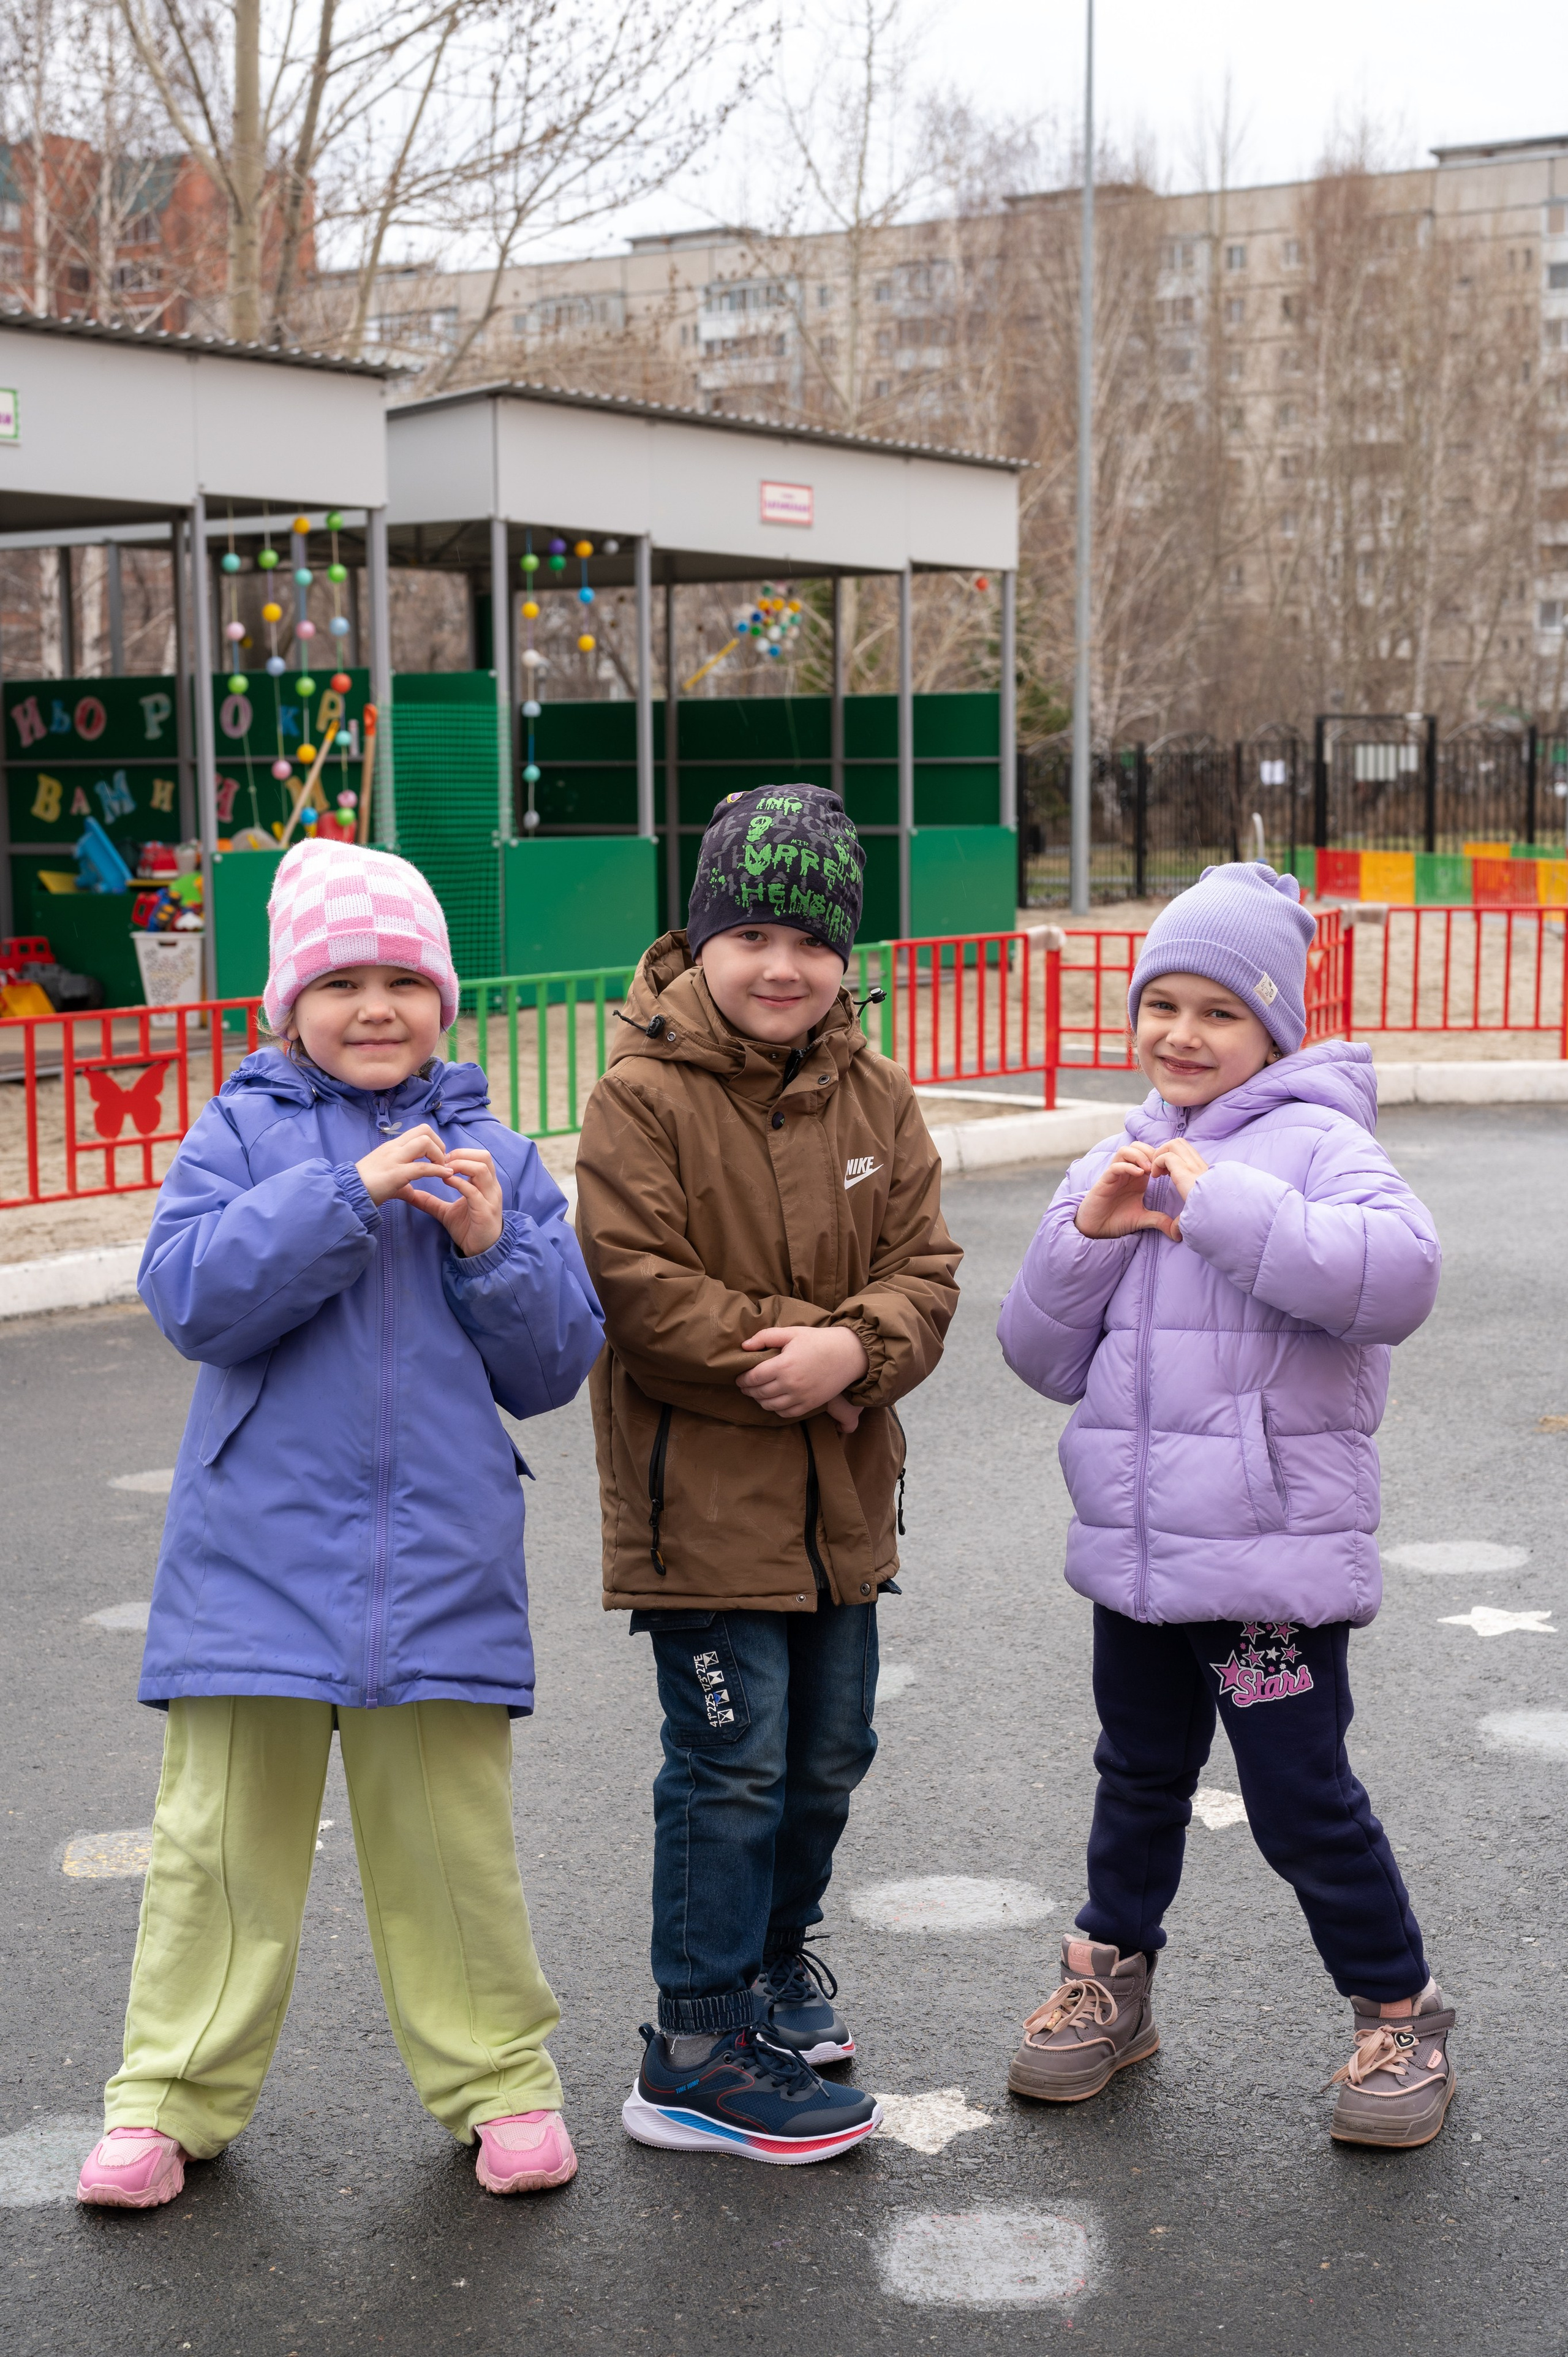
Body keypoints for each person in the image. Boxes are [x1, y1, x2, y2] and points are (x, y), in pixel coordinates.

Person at [75, 837, 605, 2212]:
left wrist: (495, 1245)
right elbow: (192, 1297)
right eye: (342, 981)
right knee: (218, 1850)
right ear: (287, 1003)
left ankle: (500, 2084)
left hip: (437, 1568)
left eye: (403, 981)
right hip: (252, 1563)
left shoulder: (496, 1148)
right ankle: (168, 2096)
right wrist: (340, 1196)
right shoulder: (238, 1130)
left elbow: (552, 1367)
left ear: (444, 997)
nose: (376, 1007)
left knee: (452, 1852)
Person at [997, 862, 1452, 2149]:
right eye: (1162, 1005)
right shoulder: (1112, 1149)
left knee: (1298, 1796)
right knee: (1134, 1777)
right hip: (1137, 1558)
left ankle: (1398, 2011)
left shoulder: (1321, 1144)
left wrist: (1214, 1202)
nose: (1180, 1036)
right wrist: (1088, 1232)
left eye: (1216, 1012)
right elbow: (1036, 1359)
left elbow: (1396, 1280)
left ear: (1271, 1029)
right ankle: (1109, 1985)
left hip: (1264, 1565)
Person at [573, 783, 962, 2165]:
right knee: (728, 1766)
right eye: (750, 935)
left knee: (825, 1755)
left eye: (810, 939)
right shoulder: (640, 1097)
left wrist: (855, 1349)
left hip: (841, 1513)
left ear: (845, 955)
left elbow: (926, 1268)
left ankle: (774, 1971)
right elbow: (631, 1282)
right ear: (699, 939)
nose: (781, 965)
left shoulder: (876, 1093)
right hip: (705, 1518)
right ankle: (691, 2038)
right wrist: (776, 1355)